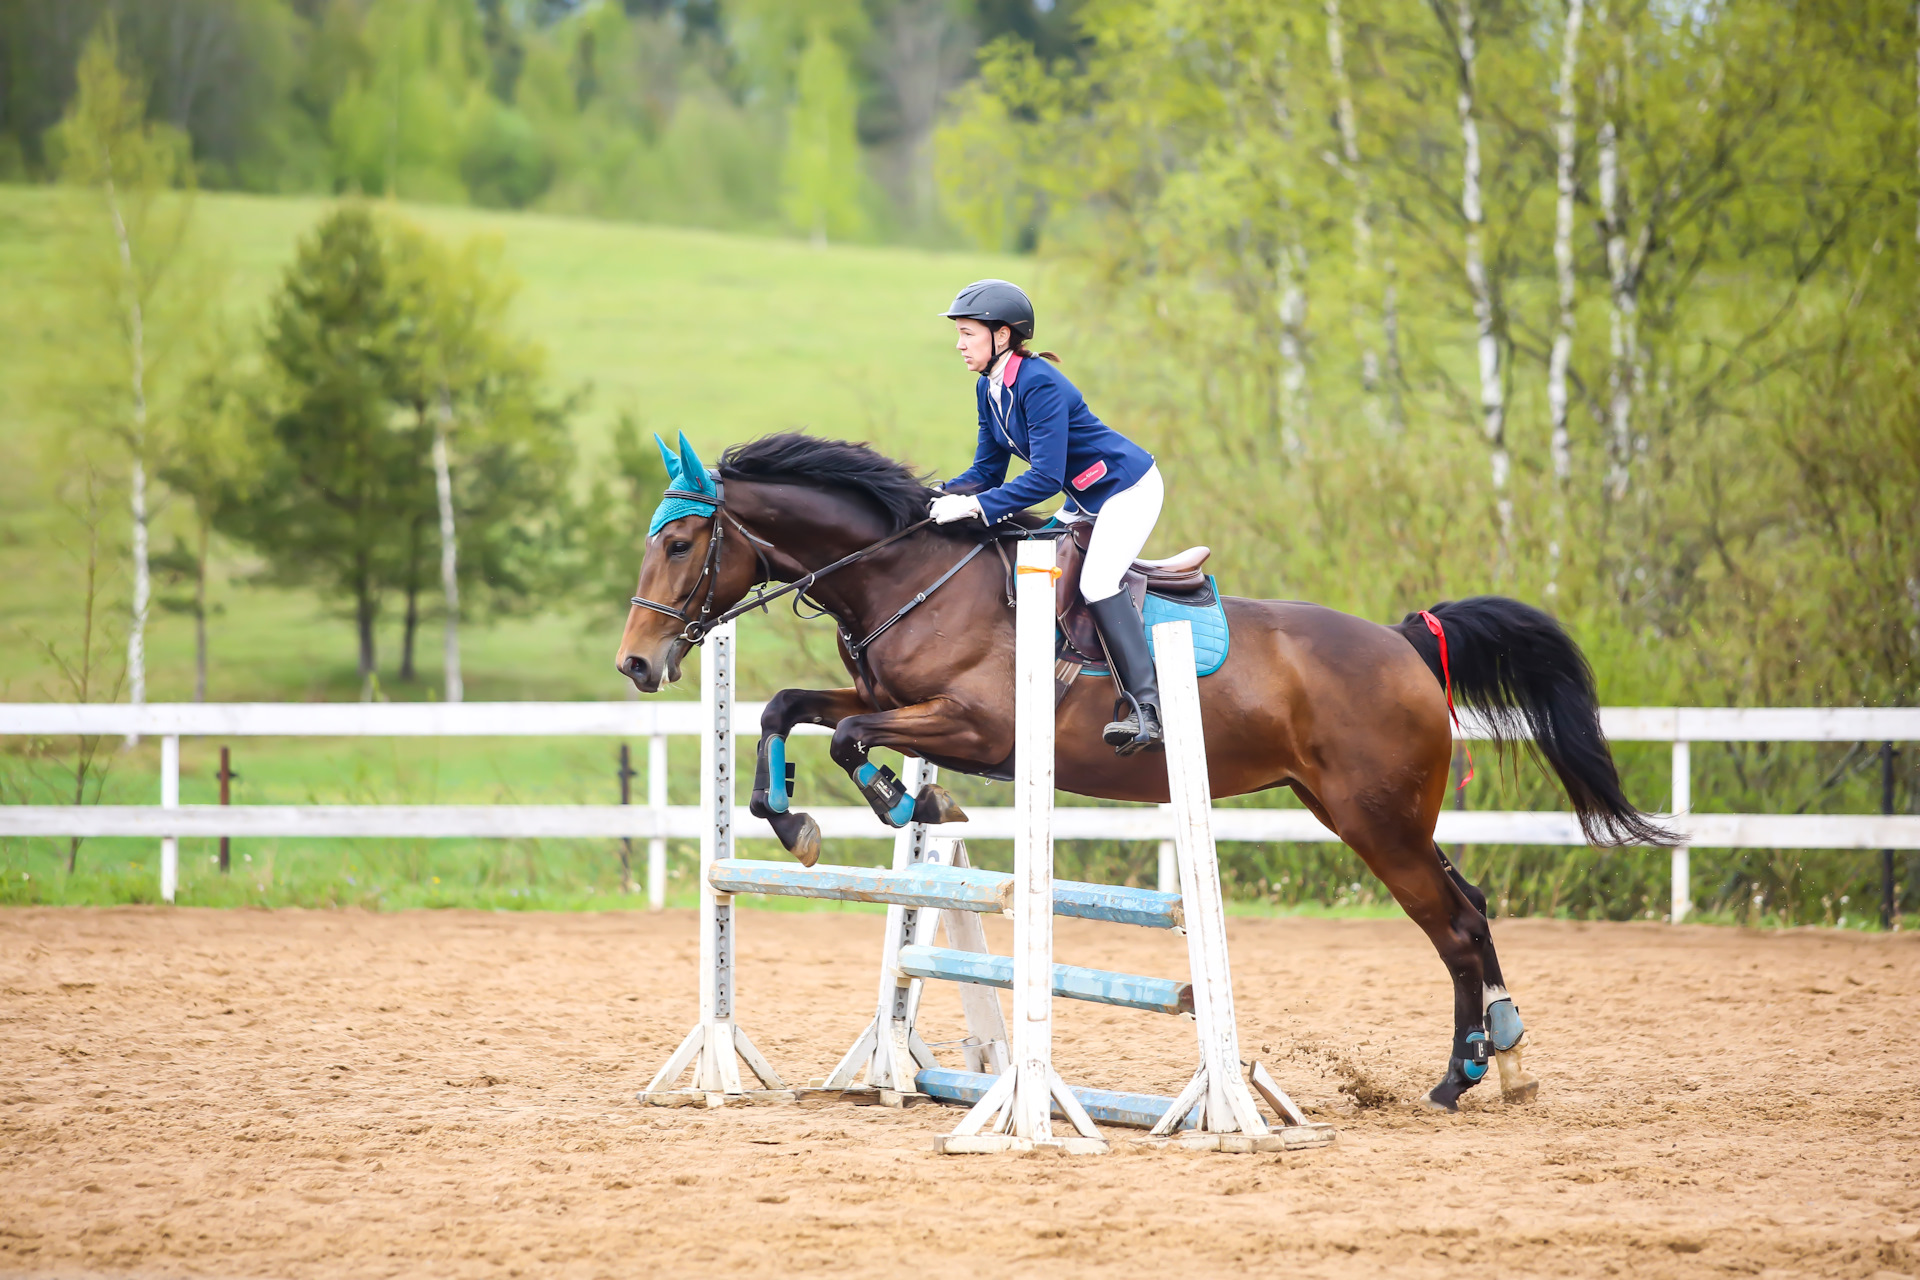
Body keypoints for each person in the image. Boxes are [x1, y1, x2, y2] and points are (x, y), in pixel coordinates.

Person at [928, 278, 1166, 755]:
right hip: (1084, 498)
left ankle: (1147, 709)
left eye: (968, 333)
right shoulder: (988, 389)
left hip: (1127, 490)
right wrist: (933, 496)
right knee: (1030, 565)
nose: (959, 344)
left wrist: (973, 506)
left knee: (1097, 583)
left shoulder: (1038, 383)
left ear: (1002, 336)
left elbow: (1044, 478)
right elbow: (986, 470)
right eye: (958, 333)